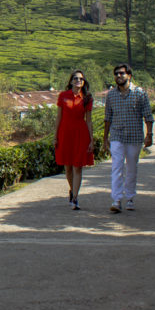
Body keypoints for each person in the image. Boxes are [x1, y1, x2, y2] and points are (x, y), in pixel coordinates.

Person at [103, 63, 154, 213]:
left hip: (134, 136)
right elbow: (107, 118)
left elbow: (148, 115)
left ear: (129, 76)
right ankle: (116, 199)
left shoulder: (140, 93)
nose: (119, 76)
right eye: (116, 74)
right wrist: (105, 138)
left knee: (131, 168)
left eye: (122, 73)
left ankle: (130, 197)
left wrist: (149, 134)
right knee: (116, 167)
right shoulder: (111, 95)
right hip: (117, 136)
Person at [54, 70, 94, 210]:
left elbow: (88, 120)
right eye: (76, 78)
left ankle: (75, 197)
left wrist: (91, 139)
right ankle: (72, 190)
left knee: (78, 166)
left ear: (83, 82)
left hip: (80, 133)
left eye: (81, 79)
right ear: (71, 81)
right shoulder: (63, 96)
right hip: (65, 133)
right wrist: (55, 136)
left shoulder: (87, 98)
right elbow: (59, 117)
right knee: (68, 167)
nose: (78, 80)